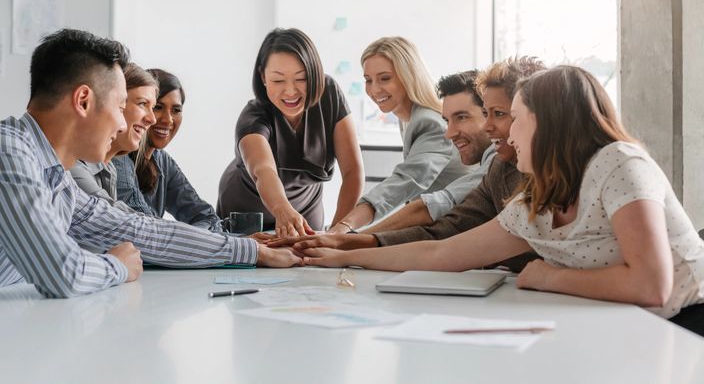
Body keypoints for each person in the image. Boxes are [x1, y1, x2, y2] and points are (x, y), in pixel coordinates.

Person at [0, 29, 300, 315]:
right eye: (120, 105)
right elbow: (61, 272)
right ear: (83, 100)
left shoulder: (54, 176)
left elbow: (143, 231)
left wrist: (251, 251)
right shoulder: (0, 150)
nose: (124, 123)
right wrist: (117, 266)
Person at [301, 65, 704, 335]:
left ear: (547, 124)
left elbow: (652, 285)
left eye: (515, 118)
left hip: (686, 326)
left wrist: (551, 277)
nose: (508, 137)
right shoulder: (537, 196)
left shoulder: (619, 163)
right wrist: (341, 256)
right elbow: (440, 255)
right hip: (629, 327)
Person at [274, 57, 543, 273]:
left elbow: (423, 200)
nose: (449, 133)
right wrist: (343, 245)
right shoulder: (500, 168)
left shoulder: (430, 123)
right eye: (368, 80)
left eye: (498, 114)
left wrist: (344, 240)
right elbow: (443, 234)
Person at [217, 28, 364, 238]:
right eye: (278, 80)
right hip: (246, 206)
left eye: (301, 78)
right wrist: (283, 210)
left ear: (314, 73)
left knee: (310, 261)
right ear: (263, 77)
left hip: (306, 205)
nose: (290, 91)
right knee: (250, 263)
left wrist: (338, 231)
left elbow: (353, 172)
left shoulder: (329, 94)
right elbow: (263, 170)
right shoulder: (252, 117)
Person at [330, 65, 482, 235]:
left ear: (408, 77)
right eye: (368, 80)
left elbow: (411, 187)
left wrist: (348, 233)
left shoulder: (427, 121)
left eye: (385, 78)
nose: (374, 89)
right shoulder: (407, 119)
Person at [113, 69, 222, 231]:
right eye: (158, 107)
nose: (167, 119)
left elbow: (205, 215)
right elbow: (150, 232)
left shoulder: (162, 160)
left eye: (176, 110)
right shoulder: (118, 156)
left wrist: (214, 241)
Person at [70, 63, 157, 217]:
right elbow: (119, 219)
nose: (152, 119)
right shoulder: (73, 166)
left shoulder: (109, 169)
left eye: (153, 107)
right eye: (142, 104)